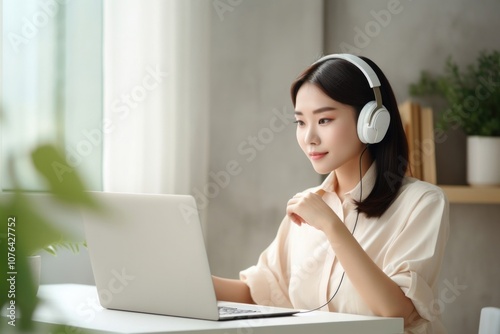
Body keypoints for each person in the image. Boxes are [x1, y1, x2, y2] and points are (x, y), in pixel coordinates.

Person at [212, 54, 449, 333]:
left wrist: (331, 226)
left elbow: (395, 311)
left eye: (324, 120)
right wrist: (184, 278)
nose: (309, 137)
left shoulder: (421, 203)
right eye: (300, 122)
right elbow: (260, 293)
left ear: (371, 122)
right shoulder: (309, 203)